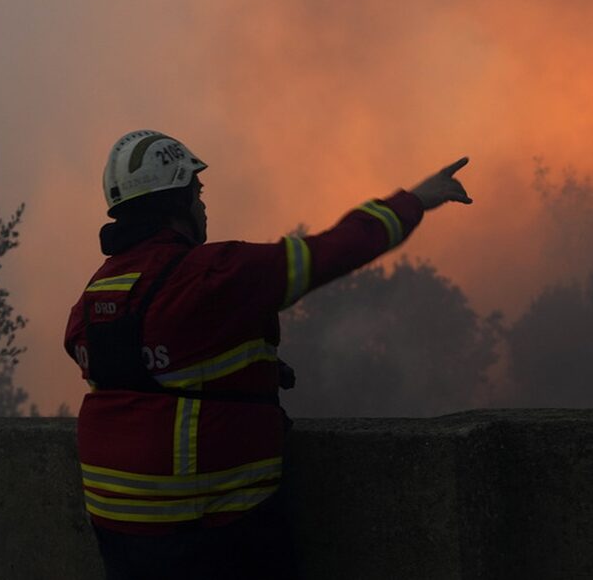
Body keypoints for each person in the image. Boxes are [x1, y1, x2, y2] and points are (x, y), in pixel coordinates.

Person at [63, 129, 471, 579]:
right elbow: (334, 250)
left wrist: (252, 366)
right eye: (196, 192)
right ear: (176, 203)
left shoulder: (95, 294)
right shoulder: (215, 275)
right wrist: (416, 199)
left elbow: (152, 366)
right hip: (214, 535)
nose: (203, 205)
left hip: (121, 537)